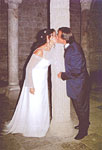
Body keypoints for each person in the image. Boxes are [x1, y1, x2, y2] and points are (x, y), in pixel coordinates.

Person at [3, 29, 55, 137]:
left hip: (42, 81)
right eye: (54, 36)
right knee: (35, 103)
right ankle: (33, 127)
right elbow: (28, 69)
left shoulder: (51, 49)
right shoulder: (39, 51)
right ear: (48, 37)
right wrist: (31, 86)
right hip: (35, 80)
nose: (55, 38)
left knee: (42, 101)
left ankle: (41, 124)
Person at [57, 27, 90, 140]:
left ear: (64, 38)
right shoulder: (71, 46)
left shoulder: (73, 50)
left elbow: (76, 71)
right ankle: (83, 123)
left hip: (79, 84)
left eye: (58, 35)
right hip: (78, 83)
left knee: (81, 107)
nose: (56, 36)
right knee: (80, 106)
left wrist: (63, 75)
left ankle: (83, 131)